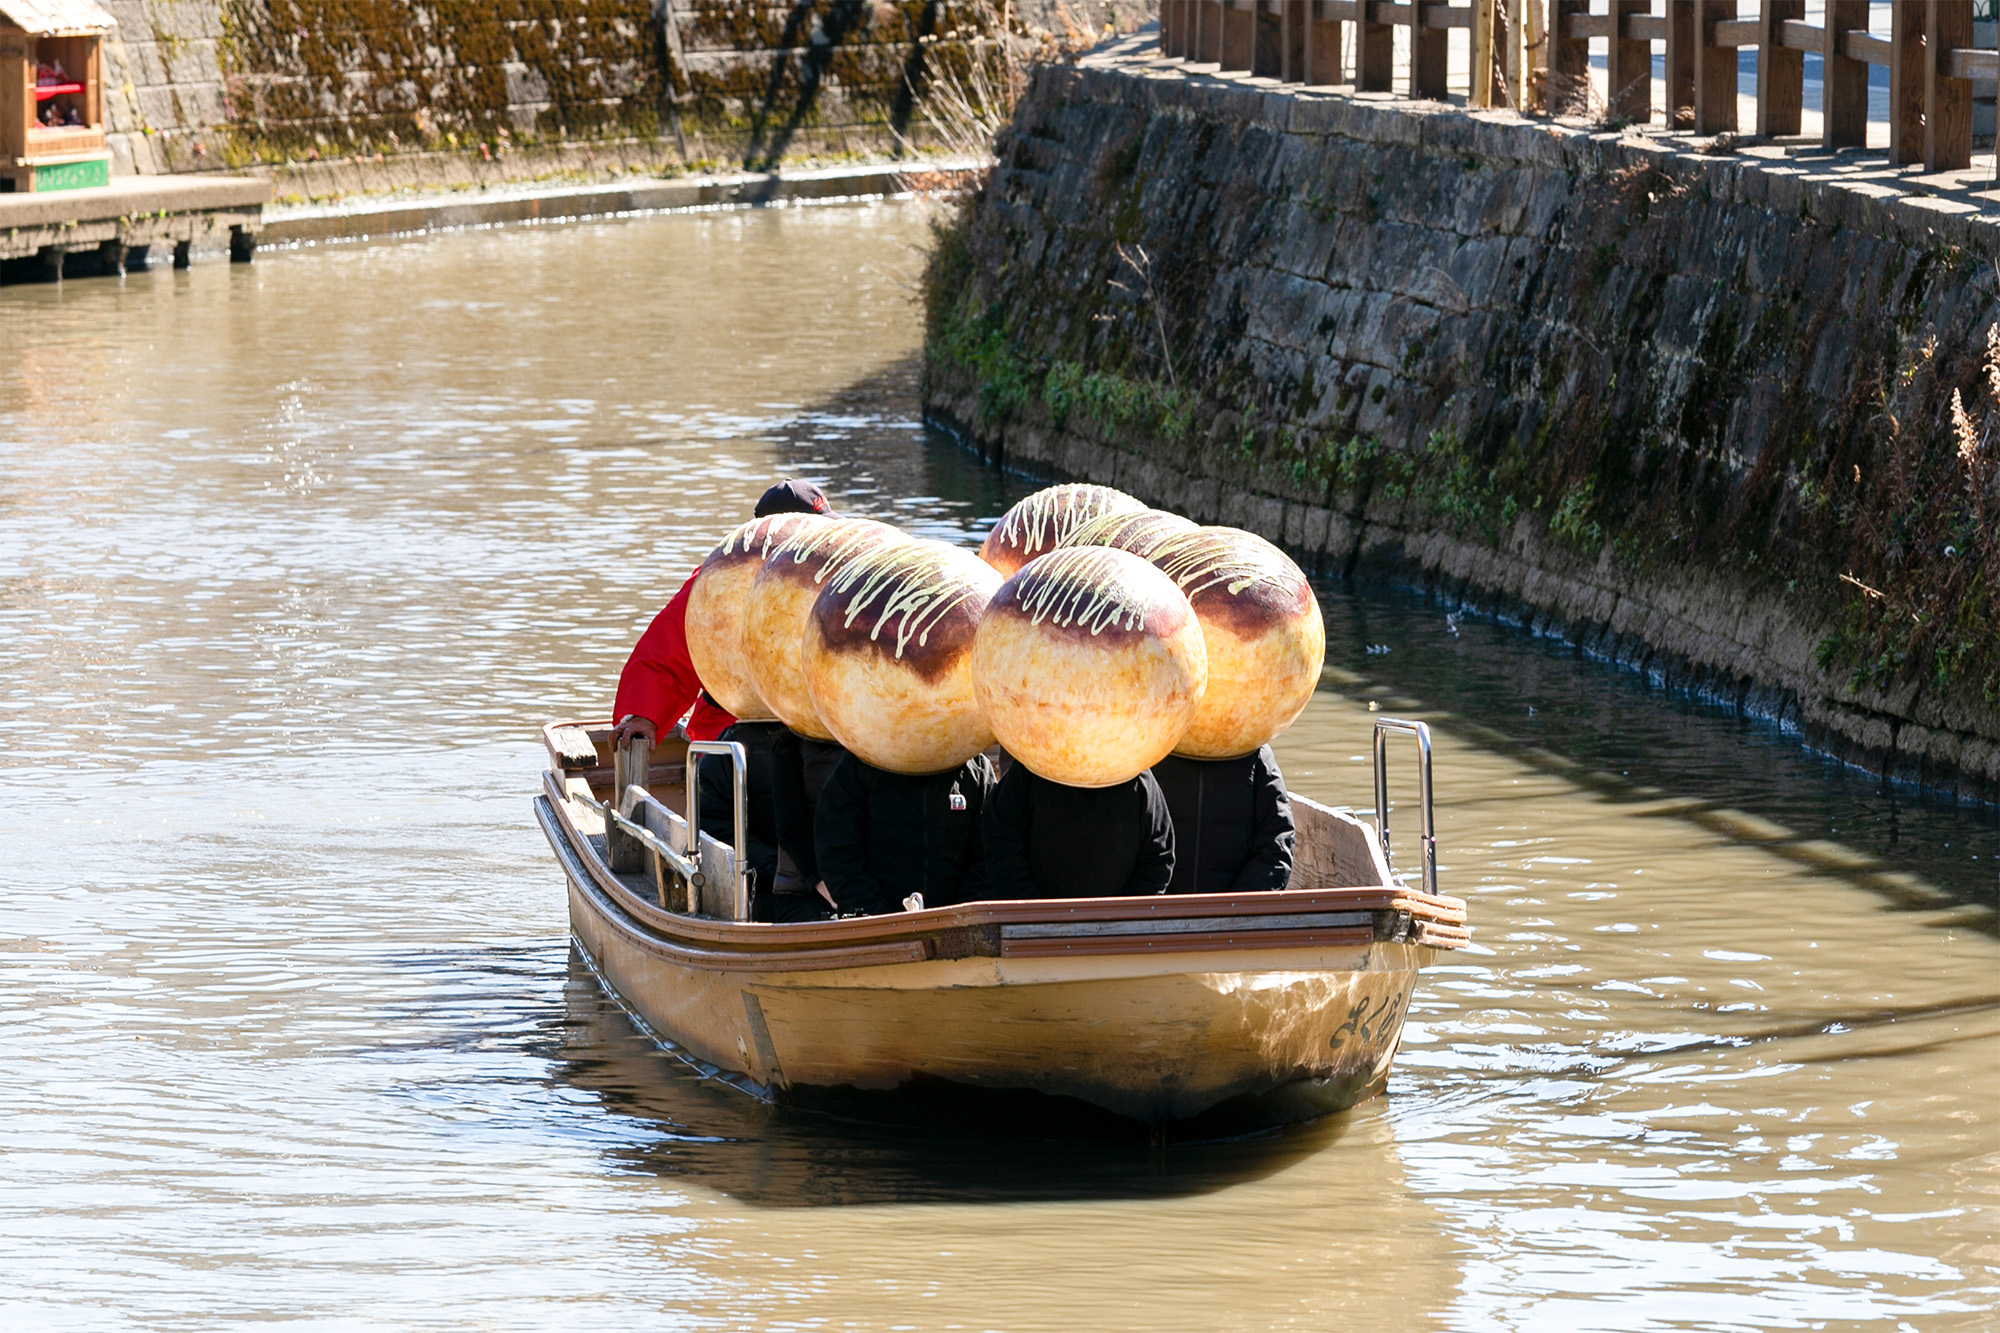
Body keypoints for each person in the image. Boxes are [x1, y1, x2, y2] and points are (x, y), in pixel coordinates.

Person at [609, 478, 834, 752]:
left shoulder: (842, 575)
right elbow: (667, 654)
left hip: (824, 725)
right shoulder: (721, 580)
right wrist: (642, 716)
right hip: (733, 727)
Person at [814, 751, 997, 915]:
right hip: (875, 926)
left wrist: (962, 914)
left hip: (959, 928)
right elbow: (837, 850)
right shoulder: (860, 761)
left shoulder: (976, 769)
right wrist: (876, 915)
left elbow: (990, 853)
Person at [982, 762, 1174, 899]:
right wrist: (1035, 913)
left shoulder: (1138, 775)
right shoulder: (1028, 771)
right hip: (1034, 935)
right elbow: (1001, 844)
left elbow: (1158, 856)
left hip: (1118, 940)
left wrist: (1123, 919)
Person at [1150, 746, 1295, 895]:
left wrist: (1237, 905)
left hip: (1238, 909)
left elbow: (1276, 843)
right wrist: (1152, 904)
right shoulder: (1147, 751)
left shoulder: (1257, 753)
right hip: (1156, 909)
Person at [766, 728, 848, 921]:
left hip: (856, 885)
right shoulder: (790, 744)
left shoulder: (866, 742)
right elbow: (791, 831)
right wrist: (831, 893)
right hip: (803, 890)